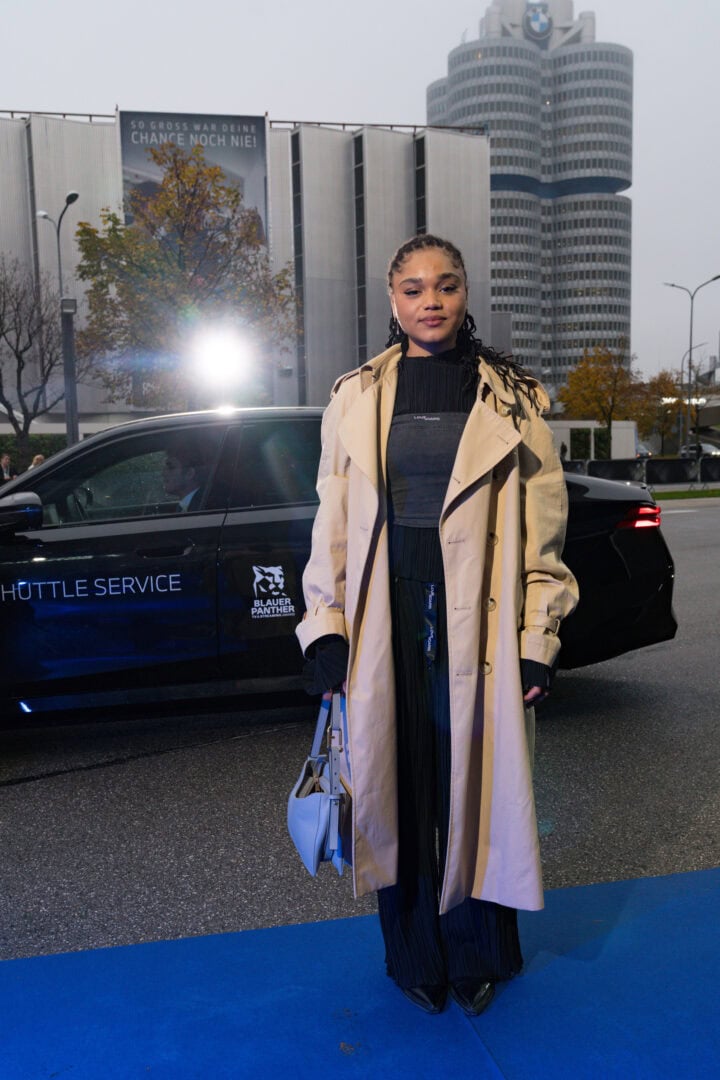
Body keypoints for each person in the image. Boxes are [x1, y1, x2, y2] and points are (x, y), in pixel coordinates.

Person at [296, 234, 579, 1018]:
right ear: (393, 301)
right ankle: (414, 954)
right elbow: (334, 519)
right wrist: (324, 626)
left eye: (446, 286)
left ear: (464, 296)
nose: (431, 300)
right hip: (385, 614)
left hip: (478, 619)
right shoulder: (355, 395)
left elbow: (542, 535)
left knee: (475, 793)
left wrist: (537, 640)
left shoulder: (513, 398)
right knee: (397, 786)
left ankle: (483, 951)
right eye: (414, 287)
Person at [161, 441, 208, 512]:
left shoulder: (204, 507)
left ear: (189, 474)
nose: (163, 473)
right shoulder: (188, 505)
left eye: (171, 467)